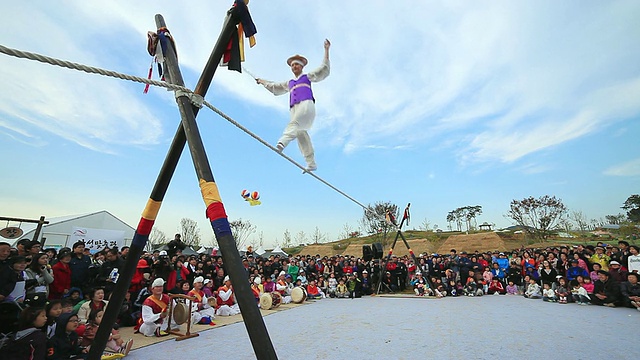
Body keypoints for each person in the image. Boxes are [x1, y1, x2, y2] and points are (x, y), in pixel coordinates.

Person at [256, 39, 331, 172]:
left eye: (297, 65)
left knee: (294, 125)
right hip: (295, 109)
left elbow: (323, 70)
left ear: (302, 66)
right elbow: (275, 86)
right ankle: (311, 163)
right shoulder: (289, 83)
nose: (294, 67)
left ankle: (281, 143)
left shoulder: (307, 77)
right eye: (292, 65)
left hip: (306, 106)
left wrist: (326, 50)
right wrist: (262, 81)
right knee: (301, 135)